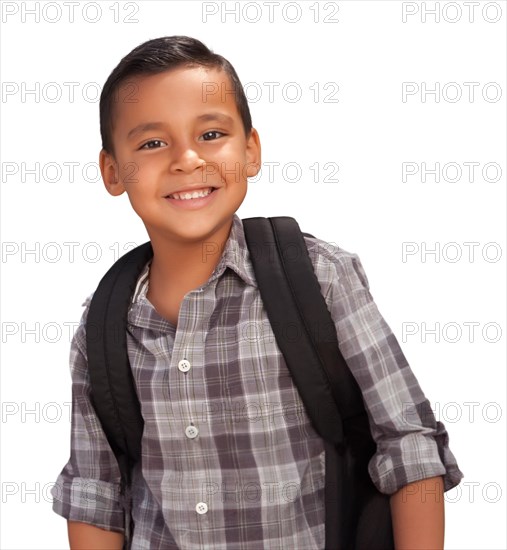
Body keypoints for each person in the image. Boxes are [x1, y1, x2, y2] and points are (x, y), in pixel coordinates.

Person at [52, 35, 463, 549]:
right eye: (152, 143)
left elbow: (408, 444)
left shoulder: (320, 278)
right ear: (113, 171)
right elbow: (97, 490)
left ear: (250, 151)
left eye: (211, 133)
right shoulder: (105, 326)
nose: (186, 159)